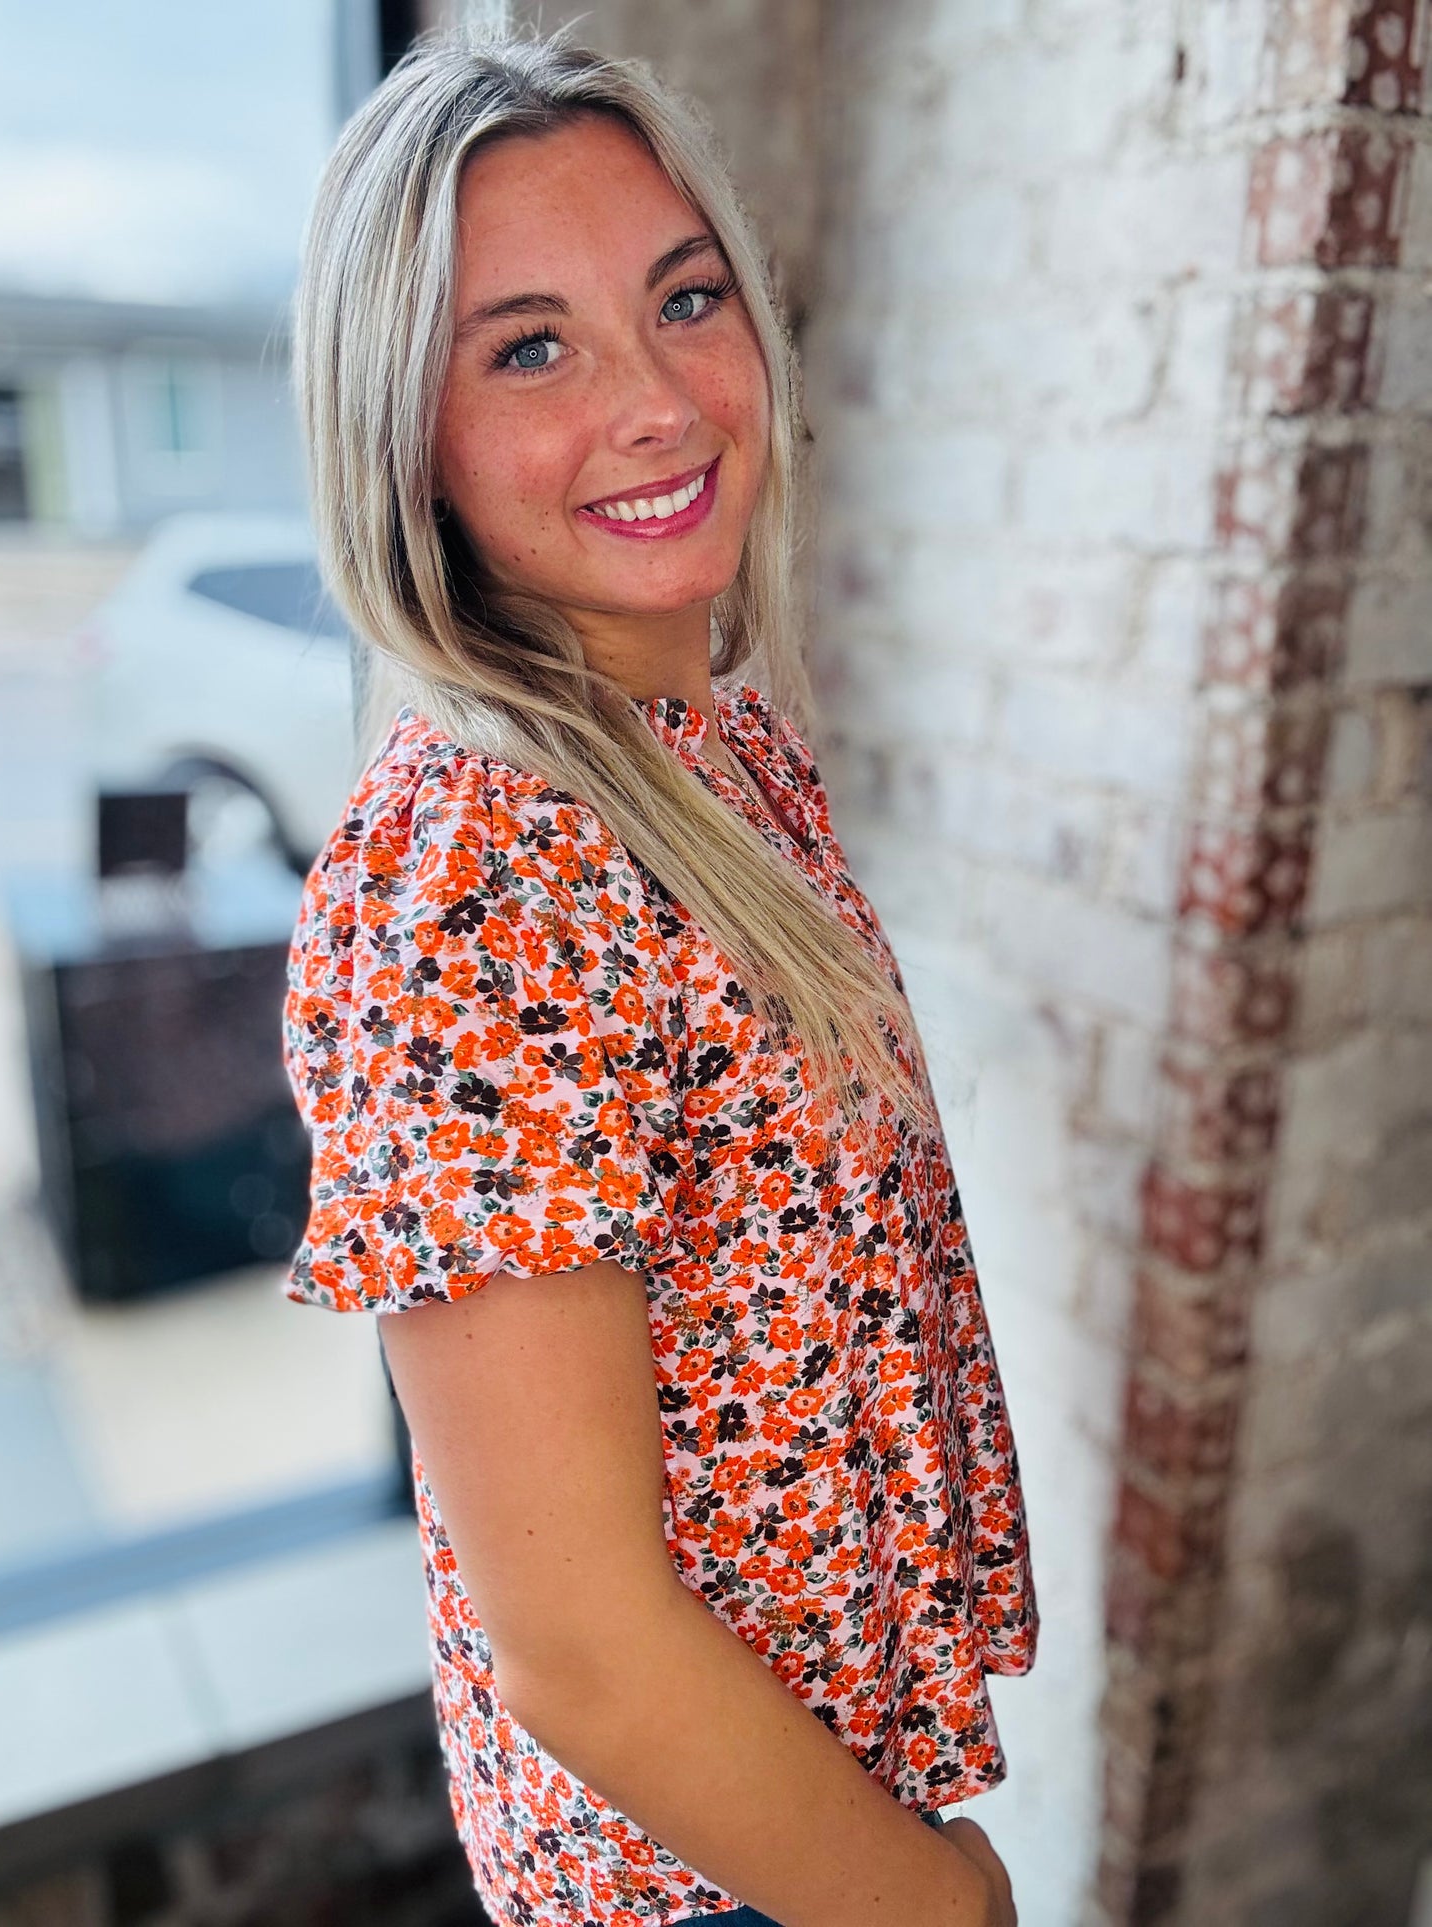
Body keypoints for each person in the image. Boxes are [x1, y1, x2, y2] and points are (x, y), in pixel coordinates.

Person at [283, 24, 1037, 1927]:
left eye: (682, 297)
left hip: (814, 1776)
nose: (657, 400)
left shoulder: (698, 735)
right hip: (708, 1877)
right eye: (527, 346)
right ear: (404, 433)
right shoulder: (480, 873)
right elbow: (581, 1647)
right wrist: (932, 1908)